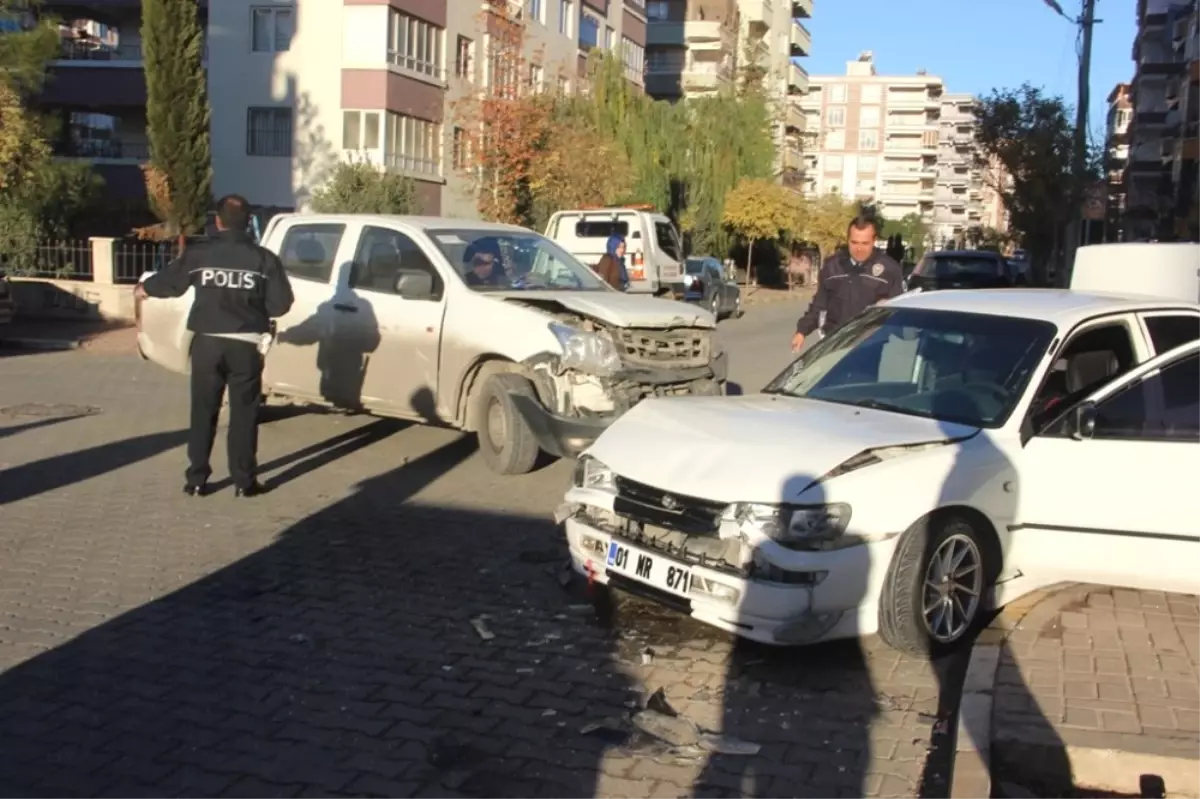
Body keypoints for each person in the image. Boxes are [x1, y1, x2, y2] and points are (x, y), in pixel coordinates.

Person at [135, 194, 294, 497]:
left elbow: (171, 282)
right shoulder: (264, 260)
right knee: (244, 415)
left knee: (203, 412)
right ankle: (244, 483)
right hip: (246, 345)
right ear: (249, 223)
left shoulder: (200, 255)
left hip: (206, 345)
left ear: (218, 221)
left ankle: (196, 480)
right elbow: (281, 305)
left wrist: (145, 288)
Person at [791, 215, 905, 353]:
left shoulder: (890, 269)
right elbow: (819, 305)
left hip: (870, 345)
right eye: (854, 242)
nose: (859, 249)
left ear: (874, 240)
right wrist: (802, 331)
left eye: (865, 243)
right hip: (834, 342)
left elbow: (899, 310)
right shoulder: (832, 266)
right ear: (848, 240)